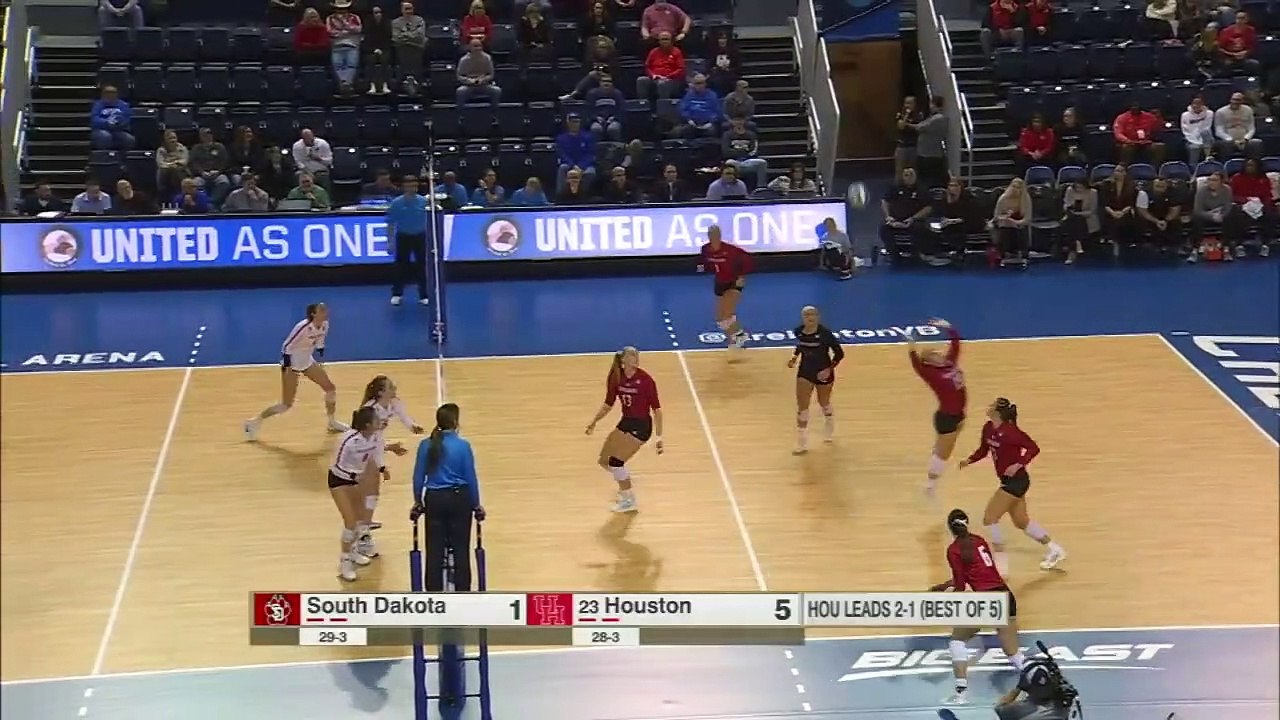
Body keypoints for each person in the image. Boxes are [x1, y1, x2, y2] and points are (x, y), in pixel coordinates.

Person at [928, 508, 1029, 706]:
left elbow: (960, 585)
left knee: (957, 641)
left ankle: (960, 694)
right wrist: (943, 586)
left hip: (987, 601)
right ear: (967, 523)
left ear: (951, 528)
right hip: (1006, 596)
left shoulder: (954, 550)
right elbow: (977, 572)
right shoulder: (979, 541)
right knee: (1013, 652)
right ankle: (1040, 684)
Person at [958, 398, 1067, 575]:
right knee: (1021, 521)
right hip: (1008, 481)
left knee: (990, 517)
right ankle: (1055, 550)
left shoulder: (1012, 433)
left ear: (998, 413)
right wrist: (969, 460)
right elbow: (983, 450)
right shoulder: (988, 428)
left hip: (1016, 481)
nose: (988, 407)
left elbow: (1033, 448)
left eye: (991, 406)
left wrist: (1019, 464)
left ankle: (1000, 561)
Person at [244, 302, 349, 440]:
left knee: (330, 388)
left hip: (307, 362)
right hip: (292, 365)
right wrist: (287, 367)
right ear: (313, 313)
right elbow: (286, 346)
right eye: (321, 309)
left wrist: (320, 351)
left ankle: (332, 422)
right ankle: (253, 422)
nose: (326, 311)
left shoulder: (325, 325)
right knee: (286, 404)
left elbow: (320, 341)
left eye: (325, 309)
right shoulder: (303, 327)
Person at [412, 403, 485, 591]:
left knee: (434, 549)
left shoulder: (425, 445)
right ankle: (463, 592)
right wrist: (477, 505)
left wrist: (418, 501)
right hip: (460, 500)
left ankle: (434, 594)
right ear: (456, 422)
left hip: (435, 499)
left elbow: (418, 476)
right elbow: (470, 478)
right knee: (461, 548)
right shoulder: (463, 446)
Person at [585, 347, 664, 513]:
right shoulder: (616, 377)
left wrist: (659, 437)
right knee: (604, 460)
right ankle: (624, 480)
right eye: (632, 355)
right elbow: (608, 404)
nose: (636, 357)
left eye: (637, 355)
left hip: (642, 426)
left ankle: (629, 500)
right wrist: (594, 422)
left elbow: (657, 409)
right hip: (626, 421)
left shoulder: (646, 380)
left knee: (616, 462)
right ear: (623, 361)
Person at [328, 407, 396, 581]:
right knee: (350, 523)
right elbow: (336, 465)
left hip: (356, 480)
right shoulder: (348, 440)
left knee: (360, 521)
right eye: (376, 420)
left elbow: (377, 449)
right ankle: (345, 562)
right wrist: (354, 477)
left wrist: (382, 466)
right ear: (367, 425)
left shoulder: (373, 437)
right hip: (339, 480)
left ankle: (354, 551)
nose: (379, 422)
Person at [358, 375, 423, 548]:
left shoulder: (393, 403)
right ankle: (362, 530)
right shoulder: (370, 410)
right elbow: (369, 440)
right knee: (368, 490)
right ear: (380, 392)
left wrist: (412, 426)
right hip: (361, 452)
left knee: (373, 490)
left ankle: (366, 521)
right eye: (390, 387)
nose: (395, 388)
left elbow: (403, 417)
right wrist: (382, 466)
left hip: (372, 446)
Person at [905, 318, 965, 496]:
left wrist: (948, 327)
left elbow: (956, 345)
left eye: (936, 352)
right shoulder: (930, 373)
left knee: (944, 447)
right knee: (944, 454)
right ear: (928, 362)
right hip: (947, 416)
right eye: (932, 355)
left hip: (958, 414)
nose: (937, 354)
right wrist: (911, 342)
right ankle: (930, 486)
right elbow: (915, 362)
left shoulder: (950, 362)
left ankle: (935, 459)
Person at [787, 306, 845, 454]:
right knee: (802, 408)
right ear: (803, 317)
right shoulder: (798, 331)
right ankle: (802, 443)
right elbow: (800, 345)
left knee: (823, 402)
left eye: (813, 314)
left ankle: (829, 422)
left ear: (818, 316)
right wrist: (794, 358)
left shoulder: (825, 334)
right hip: (805, 372)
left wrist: (829, 369)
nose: (810, 317)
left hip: (823, 372)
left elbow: (839, 353)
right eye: (807, 315)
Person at [698, 224, 752, 351]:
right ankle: (738, 336)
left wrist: (742, 277)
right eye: (711, 234)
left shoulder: (731, 250)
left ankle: (737, 339)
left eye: (716, 234)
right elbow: (704, 262)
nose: (713, 237)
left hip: (733, 283)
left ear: (720, 235)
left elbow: (748, 260)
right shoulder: (706, 249)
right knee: (720, 318)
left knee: (727, 313)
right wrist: (702, 267)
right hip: (719, 283)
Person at [387, 174, 432, 306]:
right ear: (404, 187)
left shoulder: (424, 201)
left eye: (414, 186)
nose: (412, 188)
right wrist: (390, 242)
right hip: (403, 236)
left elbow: (429, 221)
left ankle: (424, 295)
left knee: (422, 266)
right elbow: (390, 223)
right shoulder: (396, 203)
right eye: (409, 186)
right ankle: (397, 294)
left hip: (420, 236)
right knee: (400, 267)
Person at [992, 178, 1032, 267]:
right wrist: (1005, 217)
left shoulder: (1026, 199)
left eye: (1018, 188)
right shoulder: (1003, 198)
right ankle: (1005, 253)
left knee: (1020, 228)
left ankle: (1020, 253)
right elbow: (996, 217)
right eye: (1013, 186)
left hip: (1019, 223)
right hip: (1004, 223)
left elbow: (1027, 219)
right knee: (1005, 229)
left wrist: (1016, 222)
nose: (1015, 189)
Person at [391, 1, 427, 95]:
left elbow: (420, 35)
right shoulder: (395, 22)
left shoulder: (419, 20)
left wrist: (405, 36)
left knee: (414, 49)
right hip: (402, 48)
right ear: (401, 10)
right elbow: (396, 37)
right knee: (404, 49)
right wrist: (412, 36)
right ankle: (407, 79)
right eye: (406, 9)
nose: (408, 11)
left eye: (410, 9)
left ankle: (414, 79)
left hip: (417, 47)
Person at [89, 85, 135, 151]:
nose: (110, 95)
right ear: (103, 94)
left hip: (118, 130)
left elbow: (127, 118)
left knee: (129, 139)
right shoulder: (97, 104)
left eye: (112, 93)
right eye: (107, 92)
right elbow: (94, 119)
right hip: (101, 130)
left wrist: (119, 122)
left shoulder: (123, 105)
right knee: (105, 136)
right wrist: (106, 122)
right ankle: (105, 156)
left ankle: (123, 157)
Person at [456, 38, 502, 104]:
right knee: (460, 91)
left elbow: (491, 74)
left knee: (497, 90)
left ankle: (494, 113)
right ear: (470, 48)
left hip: (484, 84)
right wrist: (470, 81)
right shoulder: (464, 60)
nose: (478, 48)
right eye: (475, 46)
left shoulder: (487, 58)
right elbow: (459, 76)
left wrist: (483, 80)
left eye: (479, 46)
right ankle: (461, 113)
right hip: (469, 85)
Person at [1181, 95, 1215, 166]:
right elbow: (1186, 131)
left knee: (1205, 133)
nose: (1196, 105)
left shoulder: (1209, 113)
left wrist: (1201, 141)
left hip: (1206, 138)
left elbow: (1207, 127)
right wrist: (1196, 141)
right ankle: (1193, 168)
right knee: (1195, 147)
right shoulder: (1185, 115)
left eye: (1198, 103)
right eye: (1194, 103)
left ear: (1203, 104)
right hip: (1190, 139)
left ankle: (1208, 159)